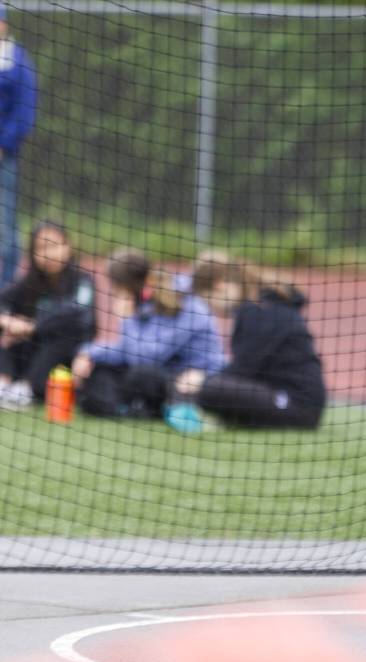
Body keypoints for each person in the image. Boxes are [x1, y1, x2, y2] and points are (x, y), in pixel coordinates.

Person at [170, 251, 326, 430]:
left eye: (208, 300)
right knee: (207, 386)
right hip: (275, 393)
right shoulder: (254, 307)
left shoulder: (261, 310)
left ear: (219, 286)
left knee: (212, 389)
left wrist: (203, 381)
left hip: (297, 406)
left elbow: (242, 370)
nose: (211, 308)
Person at [72, 248, 225, 418]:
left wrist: (126, 319)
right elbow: (126, 349)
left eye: (117, 288)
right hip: (161, 373)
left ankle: (131, 408)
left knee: (140, 374)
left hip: (196, 383)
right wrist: (88, 353)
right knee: (99, 370)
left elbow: (146, 357)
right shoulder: (145, 304)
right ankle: (122, 409)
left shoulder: (184, 305)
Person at [0, 221, 95, 408]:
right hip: (28, 354)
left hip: (65, 361)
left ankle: (27, 390)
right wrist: (8, 321)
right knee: (7, 330)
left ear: (68, 246)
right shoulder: (28, 282)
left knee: (63, 332)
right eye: (41, 248)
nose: (48, 254)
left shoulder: (82, 281)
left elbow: (77, 312)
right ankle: (3, 382)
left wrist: (32, 327)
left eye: (53, 246)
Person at [0, 6, 37, 286]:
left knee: (6, 231)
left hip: (4, 157)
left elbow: (24, 112)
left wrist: (3, 145)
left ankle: (7, 292)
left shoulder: (18, 61)